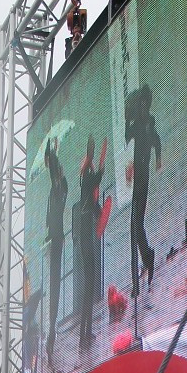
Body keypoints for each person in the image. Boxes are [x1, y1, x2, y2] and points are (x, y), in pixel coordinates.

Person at [125, 84, 161, 298]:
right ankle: (147, 257)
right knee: (136, 225)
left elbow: (156, 140)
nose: (142, 107)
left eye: (143, 103)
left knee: (135, 225)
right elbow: (128, 137)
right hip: (138, 176)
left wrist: (157, 157)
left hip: (143, 179)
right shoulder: (140, 123)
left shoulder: (147, 123)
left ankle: (147, 259)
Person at [44, 138, 68, 373]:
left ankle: (51, 332)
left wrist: (53, 151)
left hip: (58, 240)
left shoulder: (61, 187)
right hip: (52, 241)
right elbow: (48, 215)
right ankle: (51, 332)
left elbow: (54, 172)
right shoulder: (54, 190)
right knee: (53, 289)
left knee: (55, 288)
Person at [78, 136, 104, 348]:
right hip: (85, 228)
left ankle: (85, 333)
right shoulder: (86, 174)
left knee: (89, 282)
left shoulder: (86, 173)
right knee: (89, 282)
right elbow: (95, 181)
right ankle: (84, 334)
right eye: (92, 151)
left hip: (86, 226)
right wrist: (101, 167)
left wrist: (101, 213)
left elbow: (93, 200)